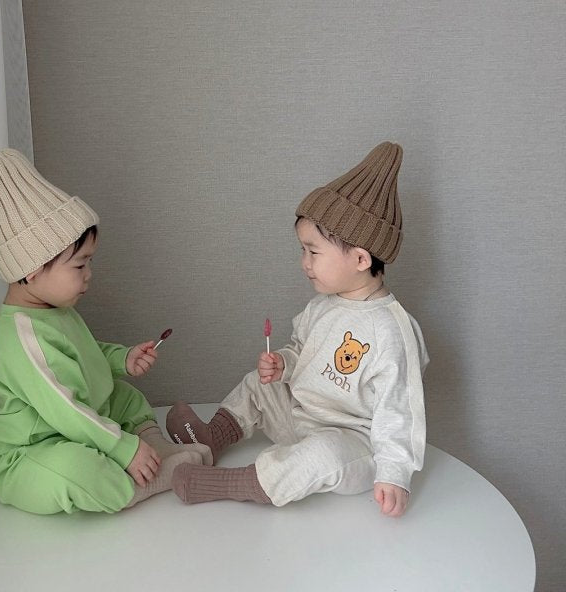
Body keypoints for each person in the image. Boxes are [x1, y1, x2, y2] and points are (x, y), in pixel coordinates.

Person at [166, 142, 428, 517]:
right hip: (302, 416)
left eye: (313, 251)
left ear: (360, 258)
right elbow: (303, 350)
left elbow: (400, 411)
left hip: (352, 443)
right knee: (259, 385)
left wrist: (394, 474)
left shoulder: (391, 330)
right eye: (302, 250)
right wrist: (284, 364)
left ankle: (232, 484)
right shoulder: (323, 305)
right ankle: (211, 438)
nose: (304, 263)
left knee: (322, 455)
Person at [0, 148, 211, 514]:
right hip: (33, 450)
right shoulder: (21, 338)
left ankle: (156, 450)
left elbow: (85, 352)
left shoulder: (55, 310)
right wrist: (122, 448)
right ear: (33, 269)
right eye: (79, 265)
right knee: (76, 470)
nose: (89, 275)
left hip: (77, 424)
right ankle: (147, 479)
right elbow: (65, 409)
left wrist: (122, 359)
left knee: (124, 397)